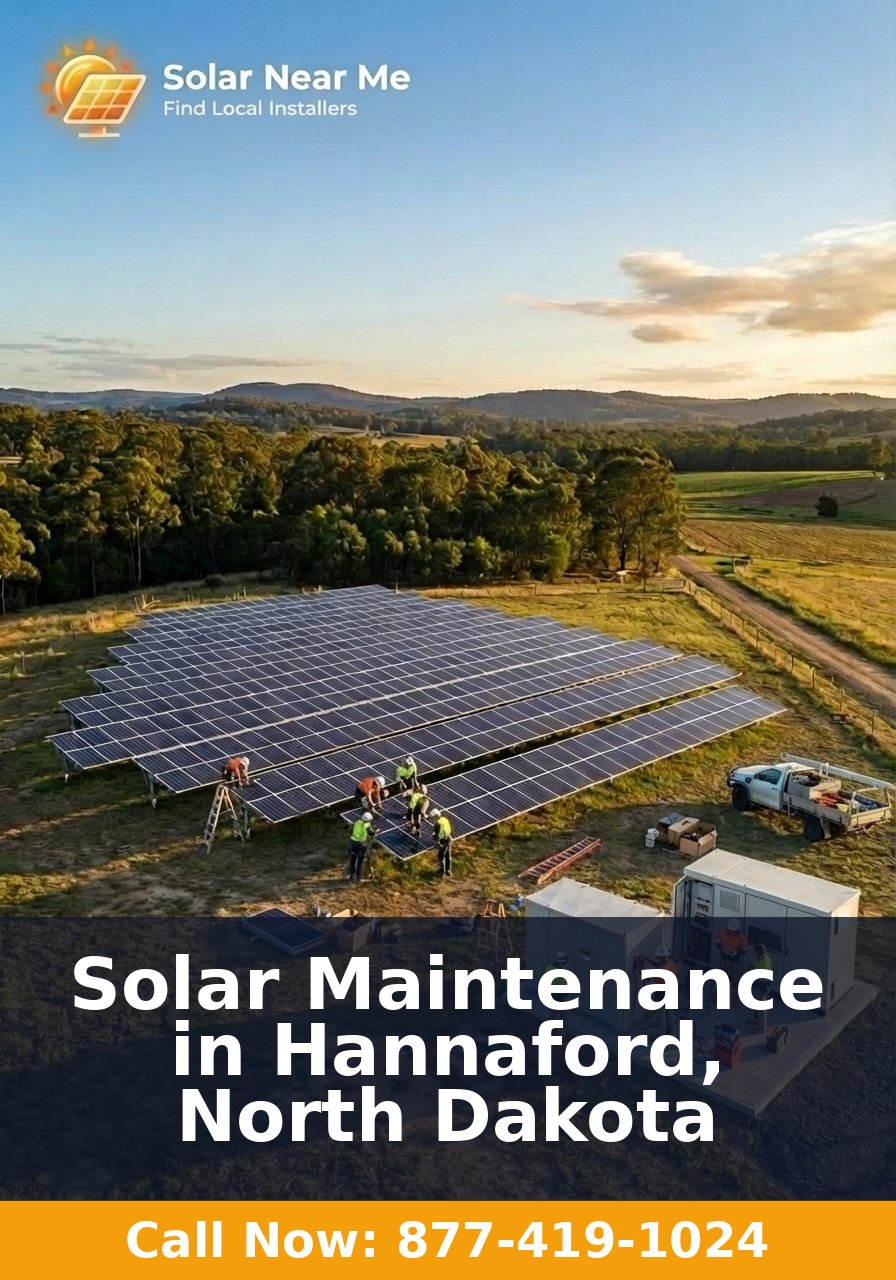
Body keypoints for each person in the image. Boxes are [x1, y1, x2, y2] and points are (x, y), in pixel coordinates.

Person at [751, 943, 774, 1031]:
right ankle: (757, 1019)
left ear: (759, 951)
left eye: (756, 951)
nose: (755, 953)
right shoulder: (765, 958)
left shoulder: (762, 961)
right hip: (762, 985)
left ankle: (762, 1027)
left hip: (762, 986)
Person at [347, 812, 374, 884]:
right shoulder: (367, 825)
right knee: (360, 862)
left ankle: (351, 877)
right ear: (368, 820)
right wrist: (375, 832)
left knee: (352, 860)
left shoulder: (357, 822)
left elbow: (351, 830)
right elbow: (371, 833)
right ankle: (358, 879)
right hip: (361, 844)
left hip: (352, 843)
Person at [430, 809, 453, 877]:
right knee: (448, 856)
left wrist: (437, 843)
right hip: (449, 839)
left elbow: (436, 835)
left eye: (432, 818)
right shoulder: (444, 819)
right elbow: (449, 828)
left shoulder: (437, 824)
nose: (432, 819)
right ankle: (448, 871)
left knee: (441, 856)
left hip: (443, 841)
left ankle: (442, 872)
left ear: (436, 816)